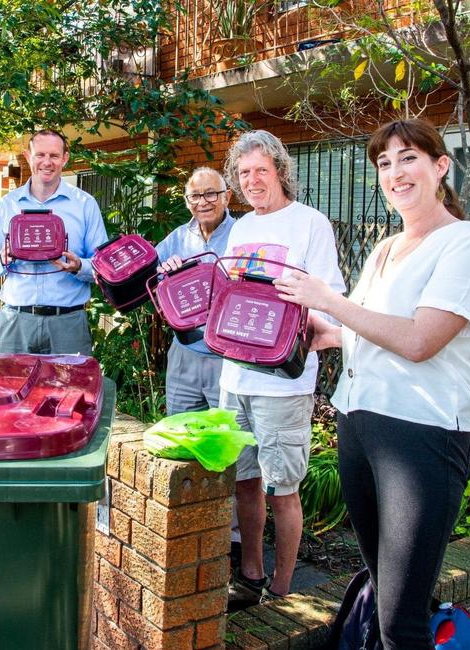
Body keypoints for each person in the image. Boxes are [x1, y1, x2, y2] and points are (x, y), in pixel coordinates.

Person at [274, 119, 470, 649]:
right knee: (380, 584)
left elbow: (419, 340)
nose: (395, 171)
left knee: (401, 617)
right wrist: (316, 331)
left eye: (408, 157)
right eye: (384, 163)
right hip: (358, 423)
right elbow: (364, 330)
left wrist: (329, 300)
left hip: (423, 436)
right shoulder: (385, 248)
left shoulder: (466, 245)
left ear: (440, 166)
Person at [222, 130, 345, 603]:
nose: (252, 180)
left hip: (283, 383)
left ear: (280, 172)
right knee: (246, 484)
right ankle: (250, 577)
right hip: (235, 376)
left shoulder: (310, 223)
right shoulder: (242, 227)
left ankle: (285, 589)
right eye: (244, 172)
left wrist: (305, 326)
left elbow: (331, 299)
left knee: (283, 489)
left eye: (260, 170)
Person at [0, 129, 107, 355]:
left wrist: (79, 266)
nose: (47, 162)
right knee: (12, 387)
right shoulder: (7, 204)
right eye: (40, 155)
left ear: (65, 158)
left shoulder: (84, 204)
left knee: (70, 390)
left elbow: (103, 264)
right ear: (28, 156)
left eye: (54, 156)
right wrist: (3, 258)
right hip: (16, 320)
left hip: (67, 322)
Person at [156, 167, 235, 415]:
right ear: (187, 201)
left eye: (211, 194)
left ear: (227, 197)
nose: (203, 202)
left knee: (229, 440)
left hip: (227, 358)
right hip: (184, 353)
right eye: (195, 196)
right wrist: (164, 273)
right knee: (181, 438)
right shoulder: (178, 237)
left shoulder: (243, 235)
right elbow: (151, 275)